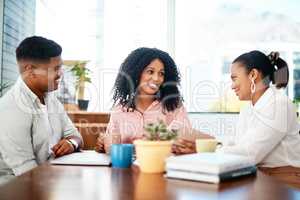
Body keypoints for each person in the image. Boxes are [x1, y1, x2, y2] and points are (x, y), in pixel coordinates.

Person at [95, 47, 211, 154]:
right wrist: (103, 144)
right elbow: (112, 145)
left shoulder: (174, 107)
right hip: (127, 171)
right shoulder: (119, 110)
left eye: (161, 74)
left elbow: (186, 141)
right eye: (150, 71)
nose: (156, 78)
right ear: (135, 73)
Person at [0, 36, 83, 184]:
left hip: (50, 180)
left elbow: (76, 137)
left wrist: (71, 144)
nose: (60, 74)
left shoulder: (50, 98)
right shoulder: (11, 107)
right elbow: (26, 172)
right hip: (18, 189)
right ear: (30, 71)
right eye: (55, 69)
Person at [217, 50, 300, 167]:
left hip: (285, 178)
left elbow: (250, 154)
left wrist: (210, 152)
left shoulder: (279, 105)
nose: (232, 86)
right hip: (260, 174)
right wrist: (212, 147)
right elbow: (239, 146)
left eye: (234, 78)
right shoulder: (247, 109)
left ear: (253, 75)